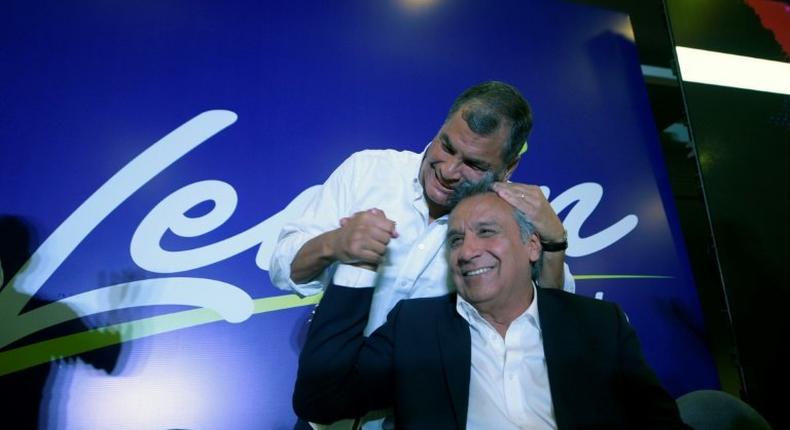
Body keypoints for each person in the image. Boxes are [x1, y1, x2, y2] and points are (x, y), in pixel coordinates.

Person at [293, 180, 690, 429]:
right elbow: (321, 400)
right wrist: (357, 266)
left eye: (487, 232)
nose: (468, 251)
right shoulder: (416, 326)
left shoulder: (600, 325)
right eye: (456, 240)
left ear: (532, 246)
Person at [270, 81, 574, 339]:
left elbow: (545, 326)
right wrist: (334, 243)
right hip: (330, 397)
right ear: (442, 126)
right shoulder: (367, 169)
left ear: (508, 169)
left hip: (434, 405)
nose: (449, 170)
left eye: (473, 164)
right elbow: (283, 269)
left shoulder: (514, 217)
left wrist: (555, 244)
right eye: (447, 146)